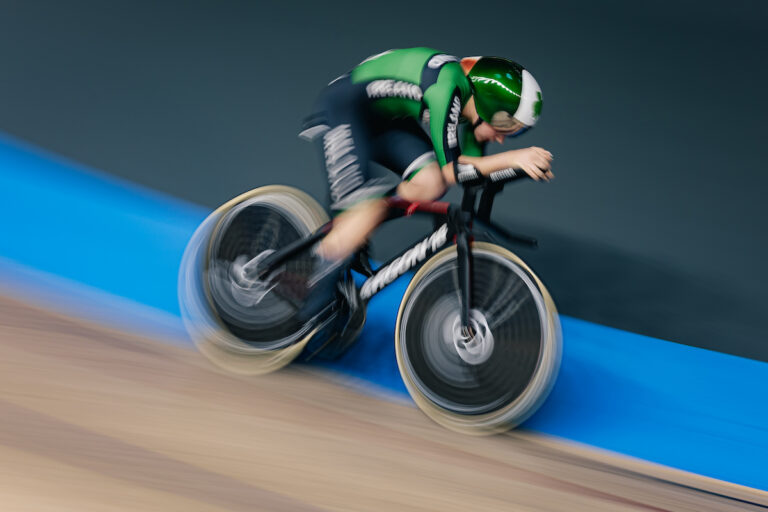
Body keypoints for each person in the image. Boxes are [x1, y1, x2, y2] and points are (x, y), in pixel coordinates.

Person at [298, 47, 553, 320]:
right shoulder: (447, 86)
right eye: (508, 129)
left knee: (430, 183)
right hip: (344, 108)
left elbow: (468, 176)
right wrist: (513, 158)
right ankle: (306, 304)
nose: (503, 139)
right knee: (365, 207)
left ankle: (362, 220)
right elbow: (454, 170)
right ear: (492, 109)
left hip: (385, 120)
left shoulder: (473, 111)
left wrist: (512, 171)